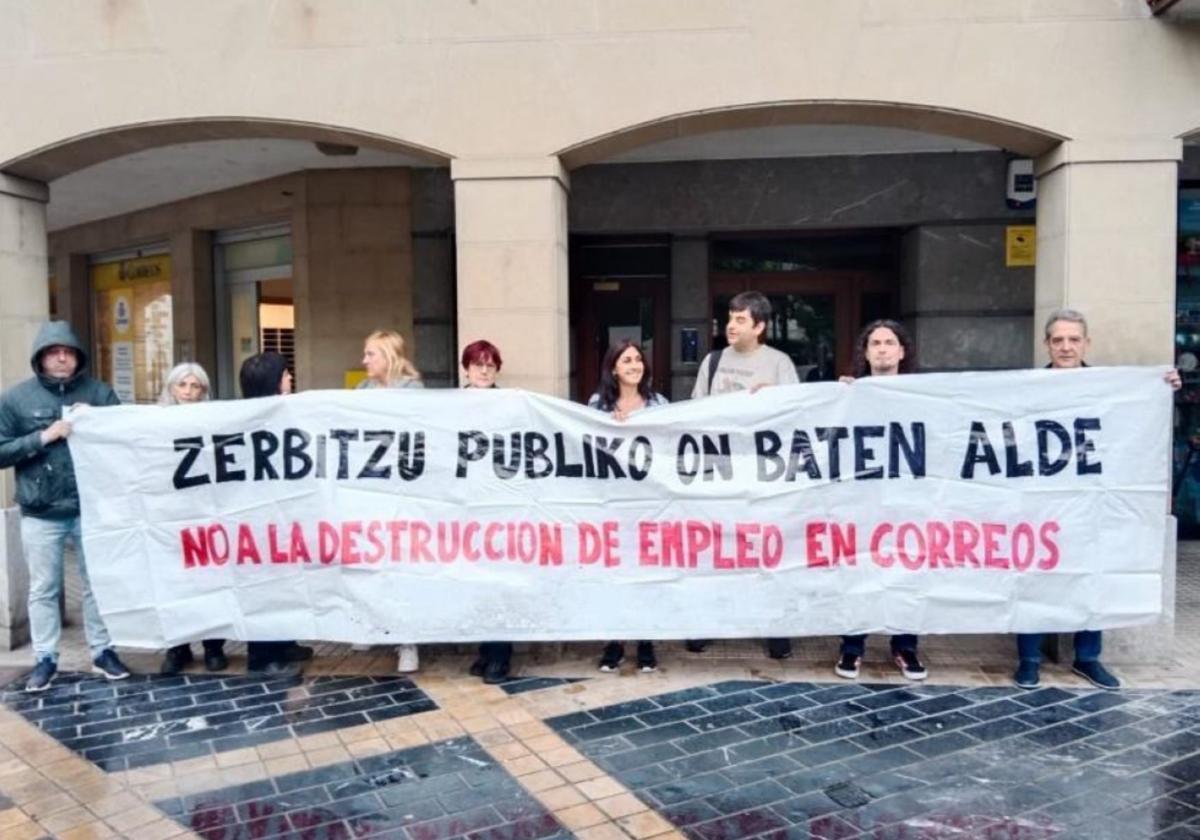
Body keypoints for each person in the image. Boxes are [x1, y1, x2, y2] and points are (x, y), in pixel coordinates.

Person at [1013, 308, 1182, 691]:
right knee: (1034, 576)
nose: (1066, 347)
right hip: (1041, 502)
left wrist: (1161, 385)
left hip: (1091, 503)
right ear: (1046, 344)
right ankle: (1029, 659)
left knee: (1092, 573)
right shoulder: (1026, 387)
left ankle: (1088, 657)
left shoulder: (1109, 388)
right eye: (1058, 340)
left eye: (1073, 339)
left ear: (1086, 344)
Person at [0, 321, 131, 692]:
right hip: (40, 510)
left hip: (91, 508)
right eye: (54, 351)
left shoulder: (100, 394)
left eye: (68, 351)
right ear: (40, 357)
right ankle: (45, 658)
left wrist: (96, 422)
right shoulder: (15, 399)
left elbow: (124, 441)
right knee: (43, 587)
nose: (61, 357)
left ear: (78, 357)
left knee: (97, 584)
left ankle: (103, 650)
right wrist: (44, 436)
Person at [688, 291, 800, 659]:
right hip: (721, 471)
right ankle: (708, 623)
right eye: (730, 318)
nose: (730, 325)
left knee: (766, 550)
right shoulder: (714, 360)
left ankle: (775, 626)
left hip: (763, 476)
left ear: (760, 326)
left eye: (740, 319)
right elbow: (695, 411)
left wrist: (774, 400)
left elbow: (799, 417)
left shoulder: (779, 363)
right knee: (717, 549)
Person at [833, 320, 927, 681]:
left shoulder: (924, 395)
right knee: (859, 570)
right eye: (876, 343)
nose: (883, 349)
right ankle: (852, 647)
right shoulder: (849, 394)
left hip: (908, 501)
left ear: (902, 351)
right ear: (866, 351)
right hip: (863, 500)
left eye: (890, 342)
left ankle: (905, 646)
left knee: (908, 571)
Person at [588, 340, 668, 673]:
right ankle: (615, 642)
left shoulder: (659, 402)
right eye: (626, 360)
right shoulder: (597, 405)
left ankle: (645, 640)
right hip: (613, 504)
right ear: (613, 368)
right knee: (615, 575)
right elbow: (585, 445)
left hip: (649, 503)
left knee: (647, 574)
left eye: (638, 359)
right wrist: (608, 425)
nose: (634, 365)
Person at [240, 352, 312, 678]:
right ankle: (261, 657)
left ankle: (283, 642)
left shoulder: (289, 411)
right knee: (264, 586)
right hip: (260, 519)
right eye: (285, 375)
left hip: (285, 513)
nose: (290, 379)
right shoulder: (247, 418)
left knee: (286, 583)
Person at [357, 330, 423, 673]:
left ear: (388, 356)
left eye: (371, 354)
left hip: (404, 493)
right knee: (373, 561)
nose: (365, 361)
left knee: (404, 567)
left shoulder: (414, 393)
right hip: (371, 491)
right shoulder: (361, 392)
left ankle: (407, 641)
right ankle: (374, 623)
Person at [157, 363, 229, 675]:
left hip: (204, 513)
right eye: (182, 385)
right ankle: (178, 648)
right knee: (173, 584)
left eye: (195, 386)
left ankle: (213, 646)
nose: (188, 392)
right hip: (169, 515)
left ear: (204, 390)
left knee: (210, 582)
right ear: (171, 388)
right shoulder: (151, 423)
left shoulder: (215, 421)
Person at [459, 340, 515, 684]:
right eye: (477, 364)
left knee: (497, 581)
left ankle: (499, 655)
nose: (483, 370)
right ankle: (485, 650)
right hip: (464, 506)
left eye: (490, 365)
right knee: (475, 582)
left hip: (498, 504)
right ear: (466, 368)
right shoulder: (450, 405)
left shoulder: (510, 405)